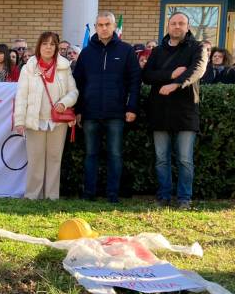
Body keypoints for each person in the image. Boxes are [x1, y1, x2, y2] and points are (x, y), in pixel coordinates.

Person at [73, 11, 141, 203]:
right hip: (90, 113)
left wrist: (132, 107)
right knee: (90, 155)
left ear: (113, 27)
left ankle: (112, 195)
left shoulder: (126, 51)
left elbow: (135, 82)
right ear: (95, 28)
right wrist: (78, 110)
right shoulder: (86, 53)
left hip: (116, 114)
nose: (103, 28)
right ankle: (89, 194)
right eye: (100, 25)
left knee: (115, 155)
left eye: (107, 24)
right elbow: (78, 83)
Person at [142, 12, 208, 209]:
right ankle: (163, 197)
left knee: (185, 159)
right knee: (161, 159)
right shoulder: (157, 51)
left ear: (188, 27)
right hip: (159, 111)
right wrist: (171, 73)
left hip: (186, 111)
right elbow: (147, 75)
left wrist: (176, 84)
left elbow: (197, 70)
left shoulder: (197, 48)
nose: (177, 26)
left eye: (182, 23)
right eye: (174, 23)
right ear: (168, 26)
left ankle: (184, 199)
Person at [14, 32, 78, 200]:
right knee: (35, 160)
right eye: (44, 44)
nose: (48, 47)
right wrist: (19, 121)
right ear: (39, 46)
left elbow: (74, 92)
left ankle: (51, 196)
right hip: (35, 121)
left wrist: (64, 103)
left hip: (58, 122)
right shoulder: (28, 68)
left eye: (52, 44)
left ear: (57, 47)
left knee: (55, 159)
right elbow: (21, 96)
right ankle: (32, 195)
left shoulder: (64, 68)